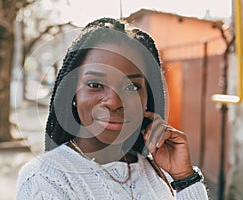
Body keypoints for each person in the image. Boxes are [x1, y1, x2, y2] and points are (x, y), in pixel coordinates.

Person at [17, 17, 209, 200]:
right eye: (95, 84)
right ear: (72, 93)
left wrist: (185, 179)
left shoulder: (160, 171)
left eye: (131, 87)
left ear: (147, 99)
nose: (114, 102)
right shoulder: (45, 178)